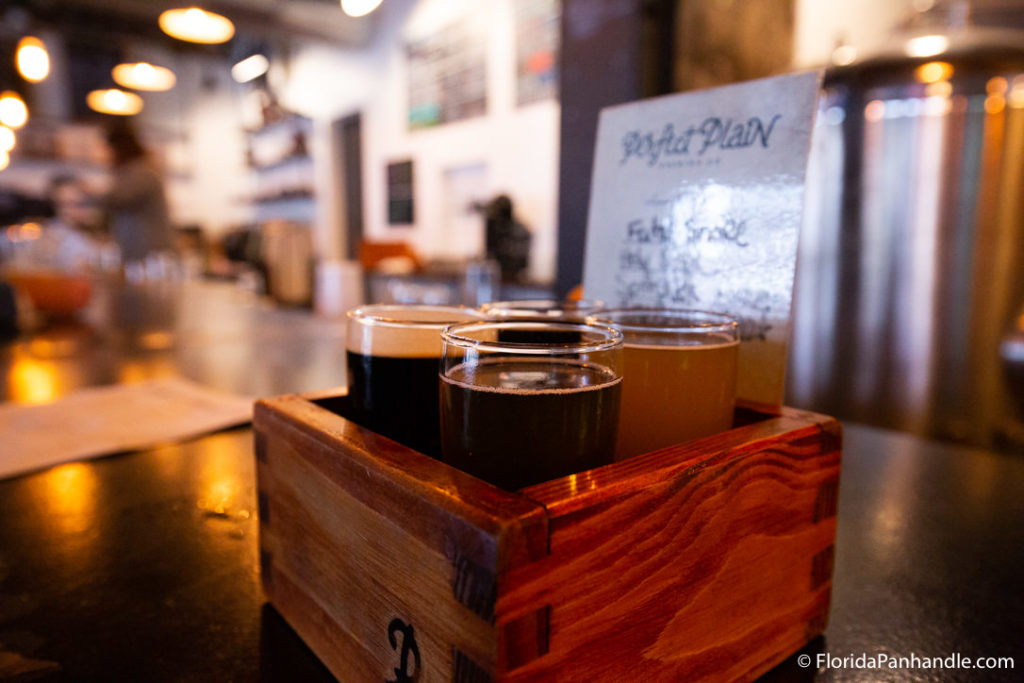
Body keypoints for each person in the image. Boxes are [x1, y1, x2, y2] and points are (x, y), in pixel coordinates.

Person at [101, 122, 176, 274]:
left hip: (149, 252)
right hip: (141, 250)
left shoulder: (140, 171)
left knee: (150, 295)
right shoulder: (135, 171)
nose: (106, 156)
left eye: (109, 150)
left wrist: (87, 194)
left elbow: (119, 198)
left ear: (119, 149)